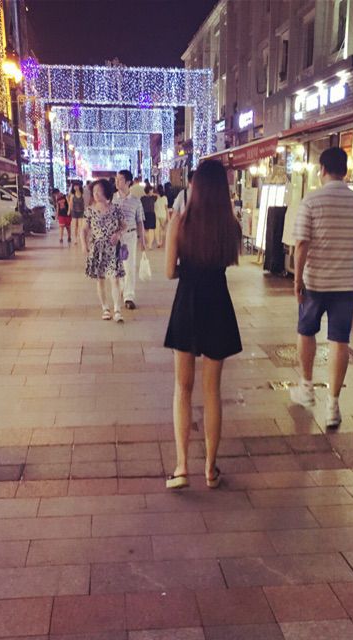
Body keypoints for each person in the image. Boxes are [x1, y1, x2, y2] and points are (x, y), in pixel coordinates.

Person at [163, 159, 242, 490]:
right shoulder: (231, 227)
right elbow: (228, 261)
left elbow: (169, 271)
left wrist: (189, 269)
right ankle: (210, 468)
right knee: (213, 391)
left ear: (195, 187)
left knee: (183, 388)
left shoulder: (180, 223)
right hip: (218, 304)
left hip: (188, 303)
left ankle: (182, 467)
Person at [289, 146, 353, 428]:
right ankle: (333, 405)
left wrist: (297, 279)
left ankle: (306, 387)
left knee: (306, 331)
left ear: (322, 170)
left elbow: (302, 243)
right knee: (340, 340)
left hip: (315, 281)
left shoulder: (311, 201)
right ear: (345, 171)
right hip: (347, 283)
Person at [80, 179, 127, 322]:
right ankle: (105, 308)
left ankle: (117, 310)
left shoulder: (116, 209)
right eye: (94, 191)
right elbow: (84, 229)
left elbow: (124, 225)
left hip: (113, 248)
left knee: (115, 279)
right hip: (97, 249)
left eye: (98, 191)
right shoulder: (89, 211)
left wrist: (118, 234)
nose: (95, 194)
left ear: (106, 191)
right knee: (100, 280)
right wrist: (84, 244)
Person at [114, 169, 147, 309]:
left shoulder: (136, 201)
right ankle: (122, 288)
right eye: (116, 179)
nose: (117, 182)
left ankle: (129, 296)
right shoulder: (112, 200)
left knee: (129, 266)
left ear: (128, 182)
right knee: (118, 266)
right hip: (115, 238)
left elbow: (140, 222)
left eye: (120, 179)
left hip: (130, 237)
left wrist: (142, 240)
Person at [140, 185, 157, 250]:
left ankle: (149, 243)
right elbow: (157, 195)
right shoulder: (154, 197)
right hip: (151, 214)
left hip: (145, 214)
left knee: (146, 230)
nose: (152, 191)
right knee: (151, 230)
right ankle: (150, 244)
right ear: (149, 191)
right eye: (151, 190)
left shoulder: (142, 198)